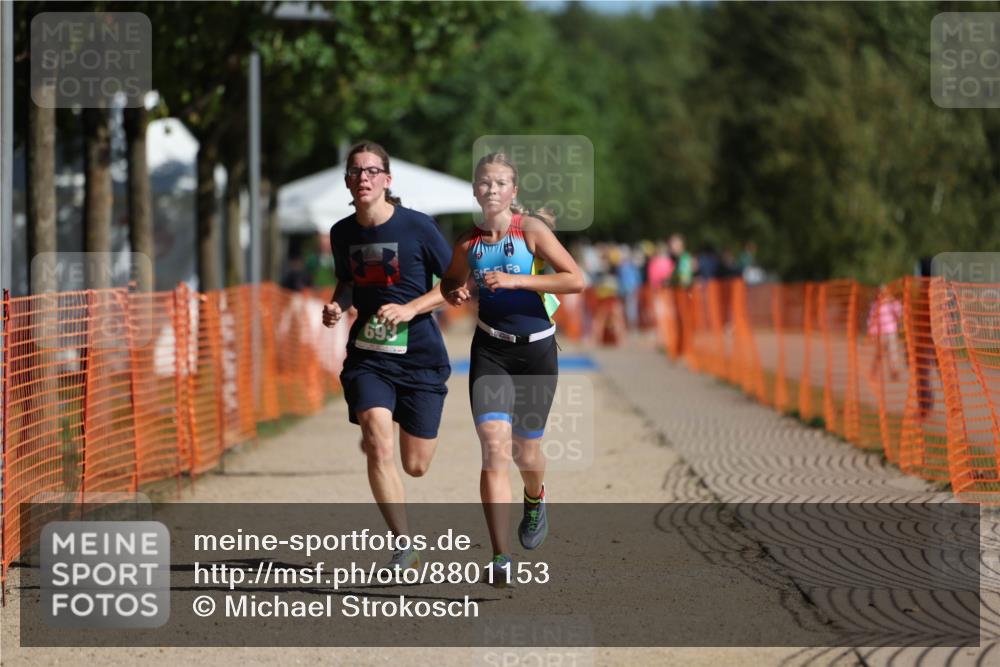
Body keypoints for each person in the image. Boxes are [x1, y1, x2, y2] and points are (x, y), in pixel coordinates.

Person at [440, 152, 585, 586]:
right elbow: (449, 283)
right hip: (491, 351)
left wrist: (519, 281)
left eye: (500, 183)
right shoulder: (468, 243)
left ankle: (535, 496)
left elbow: (574, 279)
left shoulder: (531, 232)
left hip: (537, 352)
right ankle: (500, 556)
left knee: (526, 452)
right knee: (493, 447)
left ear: (513, 191)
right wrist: (457, 292)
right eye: (484, 182)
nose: (491, 190)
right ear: (474, 189)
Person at [321, 141, 452, 571]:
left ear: (387, 180)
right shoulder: (342, 233)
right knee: (378, 443)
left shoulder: (419, 228)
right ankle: (403, 545)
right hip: (369, 355)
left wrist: (412, 308)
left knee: (415, 465)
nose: (364, 178)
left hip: (420, 357)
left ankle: (394, 420)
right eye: (356, 172)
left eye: (372, 171)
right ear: (347, 181)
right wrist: (338, 304)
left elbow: (456, 285)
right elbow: (346, 282)